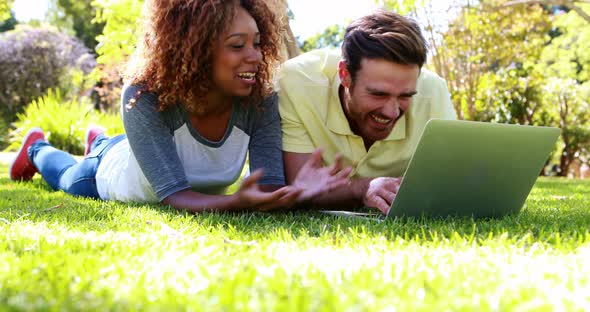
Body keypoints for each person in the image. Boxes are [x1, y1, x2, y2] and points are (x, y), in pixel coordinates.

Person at [9, 0, 351, 213]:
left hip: (137, 150)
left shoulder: (259, 100)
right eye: (237, 45)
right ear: (196, 49)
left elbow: (267, 190)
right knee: (68, 175)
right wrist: (235, 203)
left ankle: (100, 139)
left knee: (113, 147)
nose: (255, 55)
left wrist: (299, 193)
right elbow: (177, 197)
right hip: (109, 175)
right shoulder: (144, 97)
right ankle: (38, 146)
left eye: (258, 43)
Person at [277, 10, 457, 214]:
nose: (391, 112)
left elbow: (448, 183)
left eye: (405, 96)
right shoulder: (295, 82)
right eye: (378, 94)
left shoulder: (434, 93)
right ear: (345, 75)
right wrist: (364, 187)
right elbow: (300, 188)